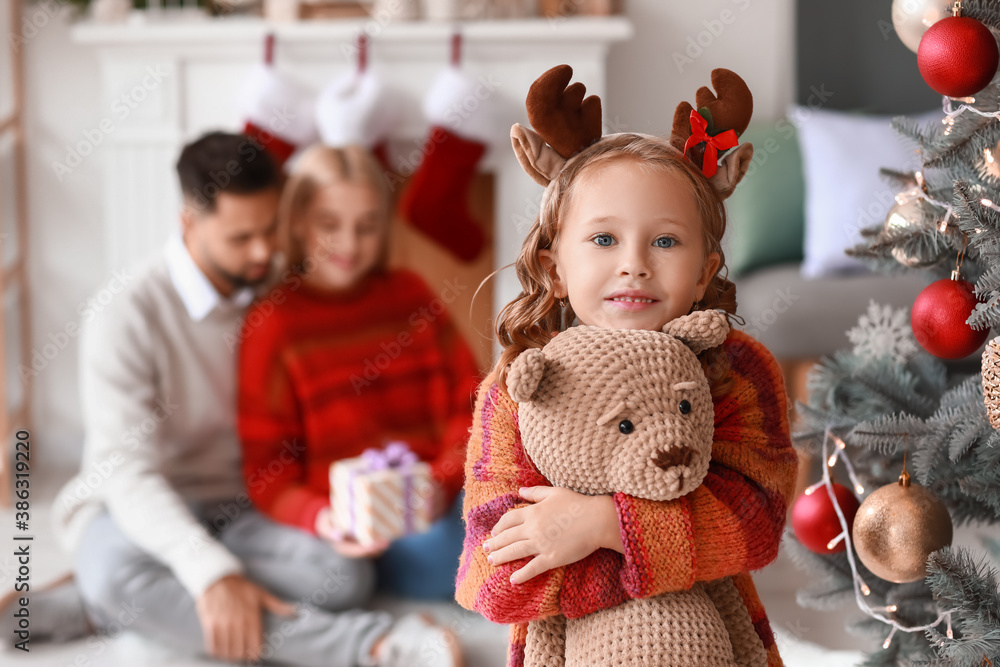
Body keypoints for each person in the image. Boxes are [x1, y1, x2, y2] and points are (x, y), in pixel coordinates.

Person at [39, 131, 457, 667]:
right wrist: (210, 571)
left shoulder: (275, 290)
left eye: (270, 231)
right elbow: (127, 472)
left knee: (344, 576)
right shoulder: (124, 313)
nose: (262, 252)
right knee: (118, 578)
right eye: (241, 238)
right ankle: (373, 645)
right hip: (140, 507)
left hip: (240, 510)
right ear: (189, 221)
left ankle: (150, 602)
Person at [454, 66, 799, 666]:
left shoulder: (741, 371)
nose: (634, 264)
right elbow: (492, 580)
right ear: (555, 268)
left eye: (665, 241)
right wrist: (676, 553)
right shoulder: (519, 387)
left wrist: (602, 527)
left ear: (703, 270)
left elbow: (756, 525)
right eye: (604, 239)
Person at [236, 144, 480, 665]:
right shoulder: (273, 325)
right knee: (433, 560)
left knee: (514, 513)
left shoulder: (410, 294)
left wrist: (441, 479)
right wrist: (324, 520)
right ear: (299, 222)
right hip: (357, 523)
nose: (349, 243)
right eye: (330, 223)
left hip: (439, 491)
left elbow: (474, 402)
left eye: (367, 225)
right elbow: (267, 472)